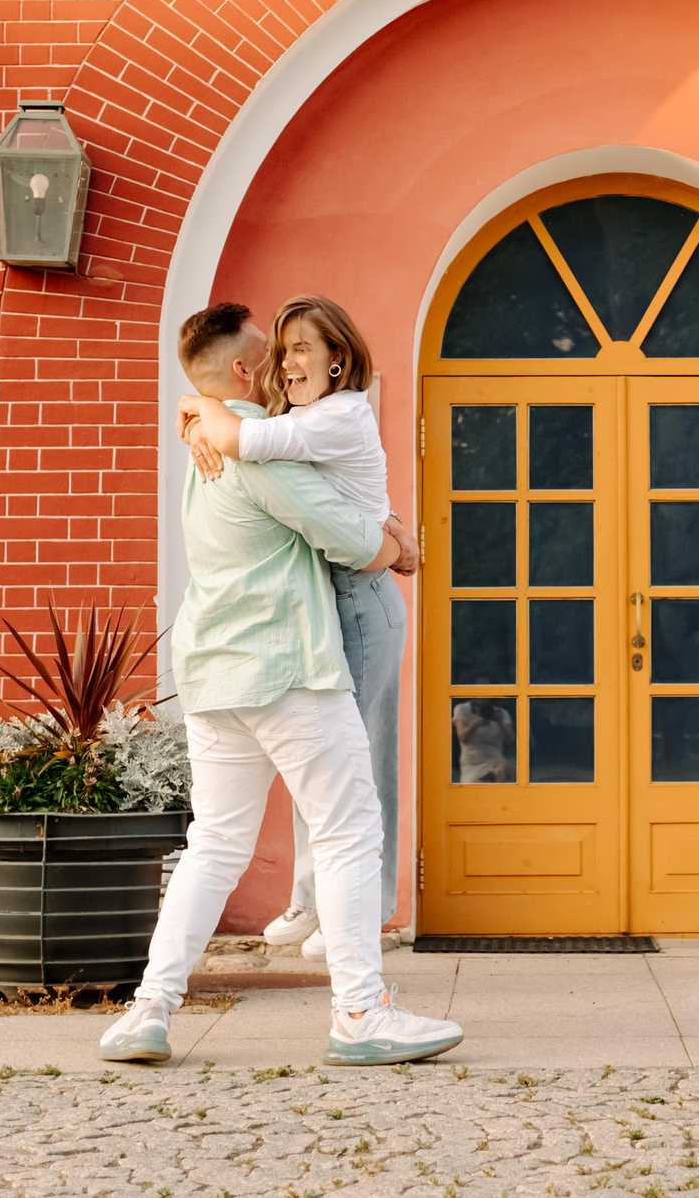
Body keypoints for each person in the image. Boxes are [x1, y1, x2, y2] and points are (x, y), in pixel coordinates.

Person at [98, 302, 462, 1067]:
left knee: (213, 846)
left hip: (212, 669)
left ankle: (148, 1011)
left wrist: (196, 406)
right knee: (349, 827)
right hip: (285, 666)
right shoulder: (259, 452)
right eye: (268, 355)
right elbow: (355, 540)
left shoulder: (200, 438)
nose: (277, 367)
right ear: (240, 371)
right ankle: (361, 1010)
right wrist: (395, 543)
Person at [174, 295, 410, 963]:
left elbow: (242, 440)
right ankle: (316, 901)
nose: (289, 360)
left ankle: (352, 912)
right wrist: (193, 411)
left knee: (354, 765)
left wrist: (197, 409)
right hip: (335, 591)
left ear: (339, 357)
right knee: (335, 765)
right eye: (282, 349)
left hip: (362, 593)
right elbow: (237, 428)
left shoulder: (336, 415)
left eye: (304, 347)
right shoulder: (297, 416)